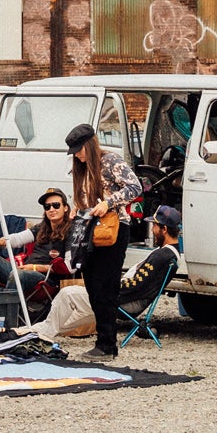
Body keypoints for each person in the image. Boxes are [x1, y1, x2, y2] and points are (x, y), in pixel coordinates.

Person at [28, 206, 181, 349]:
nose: (152, 230)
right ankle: (32, 331)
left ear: (164, 229)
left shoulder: (162, 256)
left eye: (154, 226)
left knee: (67, 294)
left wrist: (103, 287)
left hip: (122, 301)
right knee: (68, 317)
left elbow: (135, 285)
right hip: (123, 298)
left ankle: (38, 332)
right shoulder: (170, 254)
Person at [67, 123, 145, 359]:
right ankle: (103, 340)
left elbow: (135, 186)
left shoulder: (111, 161)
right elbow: (83, 197)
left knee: (105, 285)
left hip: (113, 227)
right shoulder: (81, 169)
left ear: (89, 146)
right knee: (91, 283)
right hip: (90, 230)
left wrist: (108, 203)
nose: (77, 156)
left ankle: (107, 343)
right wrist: (76, 209)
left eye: (79, 150)